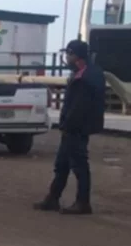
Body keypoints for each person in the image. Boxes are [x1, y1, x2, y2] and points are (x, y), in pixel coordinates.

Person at [35, 39, 106, 215]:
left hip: (76, 127)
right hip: (75, 127)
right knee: (62, 164)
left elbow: (79, 107)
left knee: (79, 165)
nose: (66, 58)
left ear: (76, 56)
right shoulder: (86, 73)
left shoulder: (85, 76)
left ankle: (82, 203)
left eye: (68, 54)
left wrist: (68, 124)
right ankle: (53, 198)